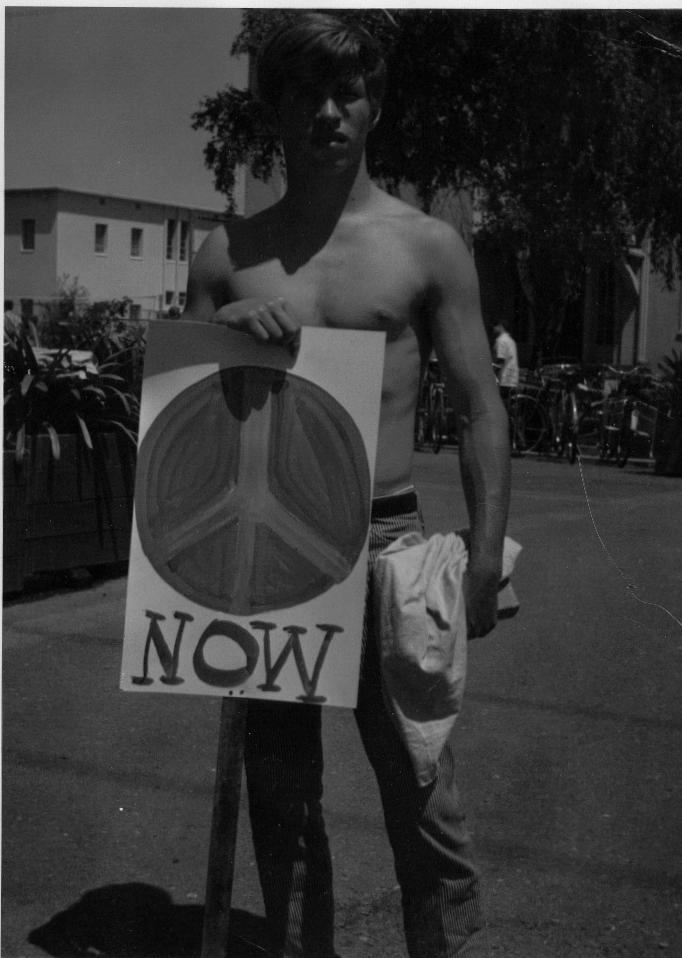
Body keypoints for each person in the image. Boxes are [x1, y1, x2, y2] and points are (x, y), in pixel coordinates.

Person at [180, 14, 510, 957]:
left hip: (388, 547)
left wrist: (483, 554)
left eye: (348, 91)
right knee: (280, 811)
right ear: (274, 105)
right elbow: (169, 411)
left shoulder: (426, 245)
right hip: (270, 547)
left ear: (375, 103)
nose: (328, 112)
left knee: (425, 808)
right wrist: (224, 328)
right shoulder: (227, 253)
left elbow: (482, 405)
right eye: (305, 93)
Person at [492, 321, 519, 399]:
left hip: (503, 378)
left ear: (500, 326)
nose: (493, 329)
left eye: (494, 326)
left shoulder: (501, 340)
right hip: (512, 378)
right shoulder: (511, 340)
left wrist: (496, 376)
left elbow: (500, 360)